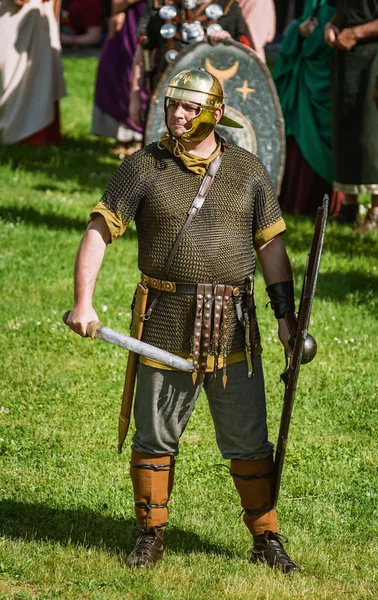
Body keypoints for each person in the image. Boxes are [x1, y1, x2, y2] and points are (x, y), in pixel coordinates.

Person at [65, 67, 299, 573]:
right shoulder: (143, 167)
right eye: (174, 104)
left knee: (249, 440)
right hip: (166, 318)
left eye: (190, 107)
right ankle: (150, 534)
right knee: (155, 437)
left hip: (233, 324)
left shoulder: (248, 171)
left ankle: (266, 537)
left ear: (216, 114)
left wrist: (286, 318)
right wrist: (83, 300)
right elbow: (99, 231)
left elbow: (273, 248)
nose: (178, 113)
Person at [325, 0, 378, 232]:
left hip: (376, 57)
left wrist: (356, 33)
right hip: (345, 59)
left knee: (373, 133)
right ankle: (349, 207)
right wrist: (331, 26)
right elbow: (341, 10)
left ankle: (376, 212)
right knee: (346, 128)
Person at [129, 0, 251, 127]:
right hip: (165, 101)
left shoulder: (229, 7)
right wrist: (135, 98)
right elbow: (143, 54)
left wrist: (228, 43)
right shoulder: (159, 5)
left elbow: (245, 60)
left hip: (209, 105)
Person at [274, 0, 343, 216]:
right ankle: (296, 200)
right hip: (305, 76)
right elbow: (302, 22)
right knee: (299, 130)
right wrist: (300, 31)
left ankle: (329, 204)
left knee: (326, 137)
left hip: (329, 74)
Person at [0, 0, 66, 146]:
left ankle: (38, 133)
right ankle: (13, 130)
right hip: (13, 14)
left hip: (40, 13)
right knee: (11, 68)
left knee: (40, 71)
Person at [91, 0, 147, 157]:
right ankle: (122, 137)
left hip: (149, 13)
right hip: (129, 16)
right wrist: (118, 10)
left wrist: (119, 6)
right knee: (117, 72)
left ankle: (141, 137)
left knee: (141, 73)